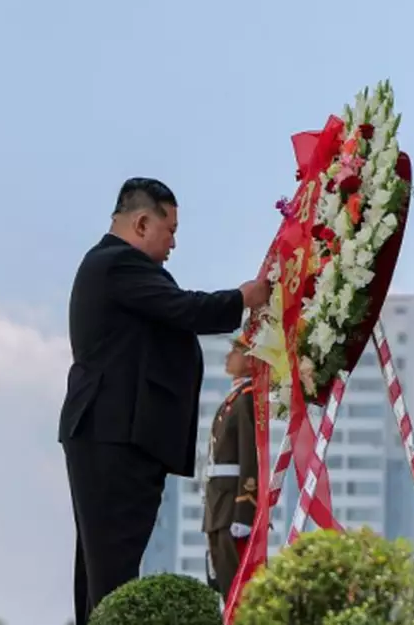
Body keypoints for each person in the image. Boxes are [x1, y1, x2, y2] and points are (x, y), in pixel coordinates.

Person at [57, 177, 271, 625]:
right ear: (141, 223)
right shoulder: (117, 264)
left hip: (116, 434)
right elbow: (183, 309)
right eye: (169, 229)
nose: (173, 242)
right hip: (115, 434)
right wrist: (243, 299)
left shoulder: (116, 268)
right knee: (112, 570)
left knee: (104, 569)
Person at [201, 332, 259, 597]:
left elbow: (249, 457)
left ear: (251, 360)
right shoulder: (234, 399)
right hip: (219, 503)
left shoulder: (246, 399)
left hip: (231, 505)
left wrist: (244, 512)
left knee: (237, 587)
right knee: (224, 582)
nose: (228, 356)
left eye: (236, 351)